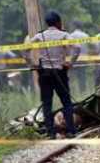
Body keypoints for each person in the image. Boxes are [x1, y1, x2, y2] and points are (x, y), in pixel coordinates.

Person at [31, 11, 79, 139]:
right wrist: (71, 63)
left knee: (47, 103)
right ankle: (70, 131)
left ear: (47, 23)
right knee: (66, 102)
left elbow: (24, 50)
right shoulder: (64, 35)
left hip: (44, 73)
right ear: (58, 22)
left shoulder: (39, 36)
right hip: (59, 72)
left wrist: (32, 64)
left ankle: (50, 132)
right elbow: (77, 47)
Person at [69, 21, 90, 94]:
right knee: (82, 76)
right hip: (83, 59)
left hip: (74, 59)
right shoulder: (86, 35)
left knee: (72, 77)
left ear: (74, 26)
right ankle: (83, 91)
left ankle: (73, 92)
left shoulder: (71, 35)